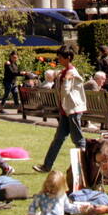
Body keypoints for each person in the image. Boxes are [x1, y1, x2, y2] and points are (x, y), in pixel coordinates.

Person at [33, 46, 87, 175]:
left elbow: (65, 92)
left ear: (68, 58)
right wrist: (60, 74)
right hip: (65, 111)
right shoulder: (65, 71)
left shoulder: (72, 73)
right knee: (58, 139)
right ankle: (46, 166)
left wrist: (66, 78)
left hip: (73, 111)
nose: (58, 60)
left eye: (60, 57)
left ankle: (86, 166)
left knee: (78, 140)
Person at [26, 170, 90, 215]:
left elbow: (68, 207)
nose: (51, 190)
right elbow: (33, 206)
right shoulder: (41, 196)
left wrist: (79, 208)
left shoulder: (62, 195)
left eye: (54, 188)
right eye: (49, 187)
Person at [0, 49, 22, 114]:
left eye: (16, 57)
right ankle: (1, 109)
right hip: (8, 82)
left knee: (16, 94)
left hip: (13, 82)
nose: (15, 59)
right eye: (14, 57)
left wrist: (21, 73)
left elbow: (17, 71)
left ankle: (19, 109)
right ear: (10, 57)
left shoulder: (15, 64)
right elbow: (13, 72)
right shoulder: (7, 63)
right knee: (6, 95)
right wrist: (21, 73)